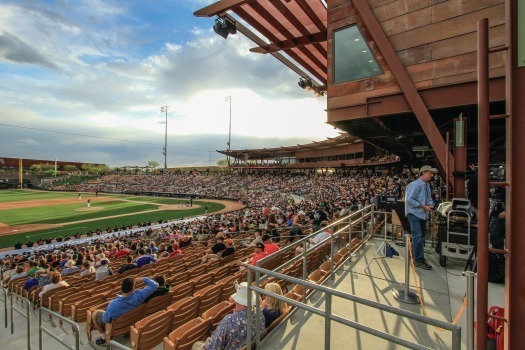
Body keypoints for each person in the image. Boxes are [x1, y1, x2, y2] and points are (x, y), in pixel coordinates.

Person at [197, 281, 266, 350]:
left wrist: (207, 342)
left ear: (237, 301)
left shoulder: (229, 320)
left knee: (196, 345)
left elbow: (213, 347)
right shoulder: (260, 314)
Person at [91, 277, 159, 345]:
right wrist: (142, 279)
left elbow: (105, 320)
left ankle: (103, 337)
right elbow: (155, 285)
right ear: (133, 289)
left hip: (117, 325)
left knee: (95, 313)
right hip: (132, 320)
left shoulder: (113, 304)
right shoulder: (140, 295)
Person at [405, 165, 437, 270]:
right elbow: (409, 200)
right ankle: (418, 260)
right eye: (430, 173)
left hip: (422, 214)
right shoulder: (415, 185)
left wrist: (431, 205)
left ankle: (415, 255)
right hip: (414, 213)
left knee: (420, 236)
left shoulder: (427, 186)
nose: (432, 175)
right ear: (423, 173)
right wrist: (424, 206)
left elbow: (428, 198)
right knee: (417, 236)